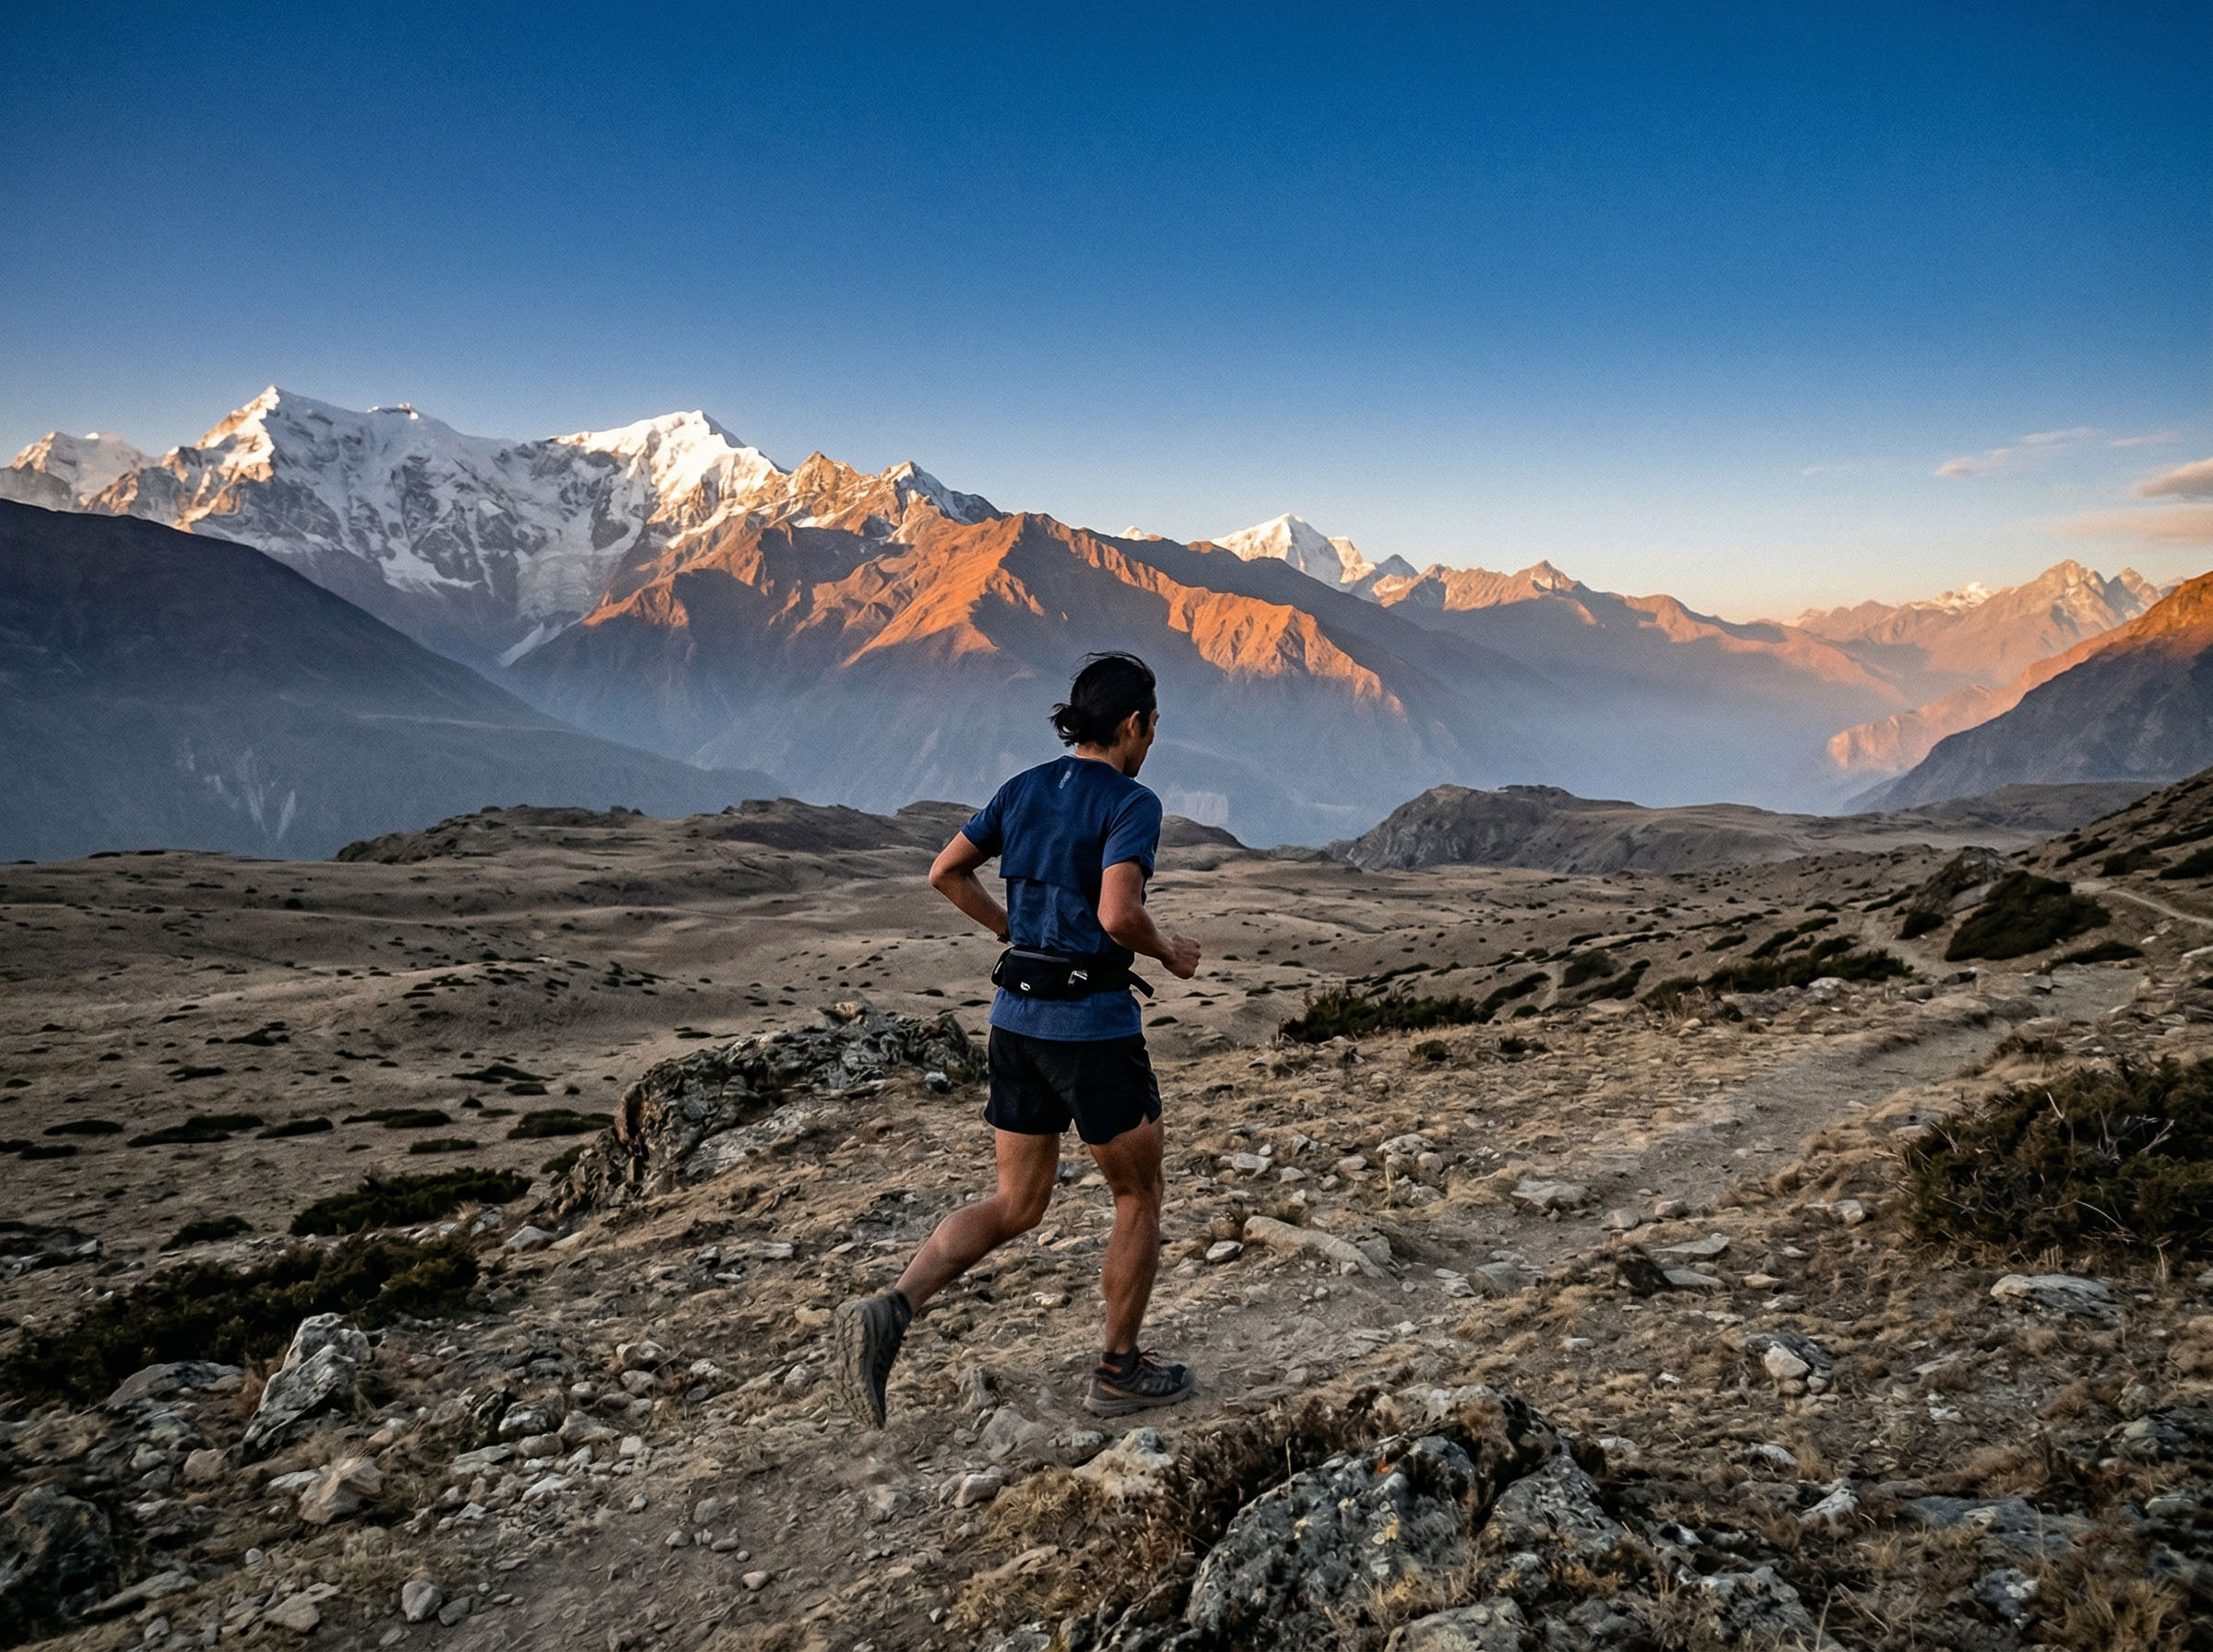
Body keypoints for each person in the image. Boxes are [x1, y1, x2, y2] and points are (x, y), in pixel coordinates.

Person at [834, 652, 1203, 1429]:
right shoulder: (1132, 801)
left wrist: (1015, 928)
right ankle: (1118, 1372)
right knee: (1137, 1195)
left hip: (1015, 1023)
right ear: (1134, 724)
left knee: (1017, 1200)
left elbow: (945, 871)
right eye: (1154, 724)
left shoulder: (1022, 787)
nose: (1153, 738)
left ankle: (892, 1308)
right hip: (1092, 1029)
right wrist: (1168, 950)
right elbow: (1116, 915)